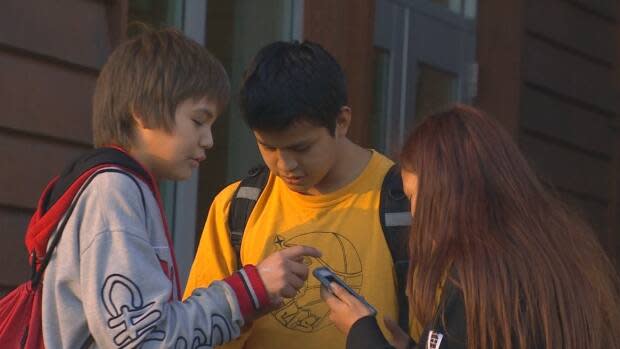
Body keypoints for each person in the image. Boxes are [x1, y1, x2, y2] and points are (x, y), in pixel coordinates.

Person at [42, 28, 320, 348]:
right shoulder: (113, 191)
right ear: (142, 112)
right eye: (198, 121)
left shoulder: (120, 187)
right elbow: (143, 340)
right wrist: (250, 289)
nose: (209, 139)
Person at [322, 105, 620, 349]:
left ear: (447, 193)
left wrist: (360, 333)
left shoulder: (476, 279)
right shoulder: (551, 253)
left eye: (414, 196)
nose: (413, 213)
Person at [184, 41, 413, 349]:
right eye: (268, 146)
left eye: (301, 147)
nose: (285, 164)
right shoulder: (237, 207)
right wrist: (248, 298)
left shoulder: (406, 203)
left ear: (342, 122)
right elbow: (195, 336)